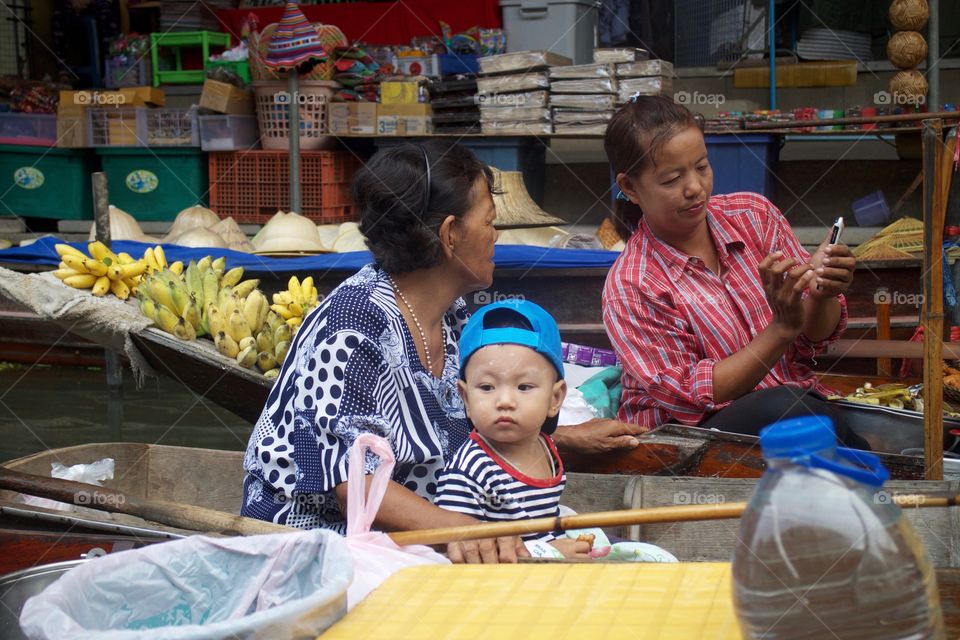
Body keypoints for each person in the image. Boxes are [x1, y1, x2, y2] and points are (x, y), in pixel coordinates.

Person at [240, 140, 644, 563]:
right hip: (321, 548)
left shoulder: (447, 313)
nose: (495, 236)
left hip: (430, 527)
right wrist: (483, 535)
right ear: (451, 234)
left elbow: (450, 423)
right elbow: (356, 486)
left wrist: (563, 438)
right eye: (489, 223)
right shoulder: (351, 328)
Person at [602, 95, 866, 447]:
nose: (695, 187)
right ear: (630, 187)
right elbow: (692, 396)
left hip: (798, 407)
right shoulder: (632, 284)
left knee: (812, 414)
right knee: (795, 411)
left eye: (702, 167)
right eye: (672, 179)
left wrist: (822, 292)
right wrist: (781, 329)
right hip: (692, 439)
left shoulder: (754, 216)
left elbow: (814, 337)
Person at [434, 300, 588, 559]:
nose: (504, 401)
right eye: (487, 387)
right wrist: (546, 552)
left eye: (524, 387)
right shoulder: (471, 470)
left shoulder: (545, 447)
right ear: (466, 398)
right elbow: (458, 554)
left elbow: (544, 528)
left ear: (555, 398)